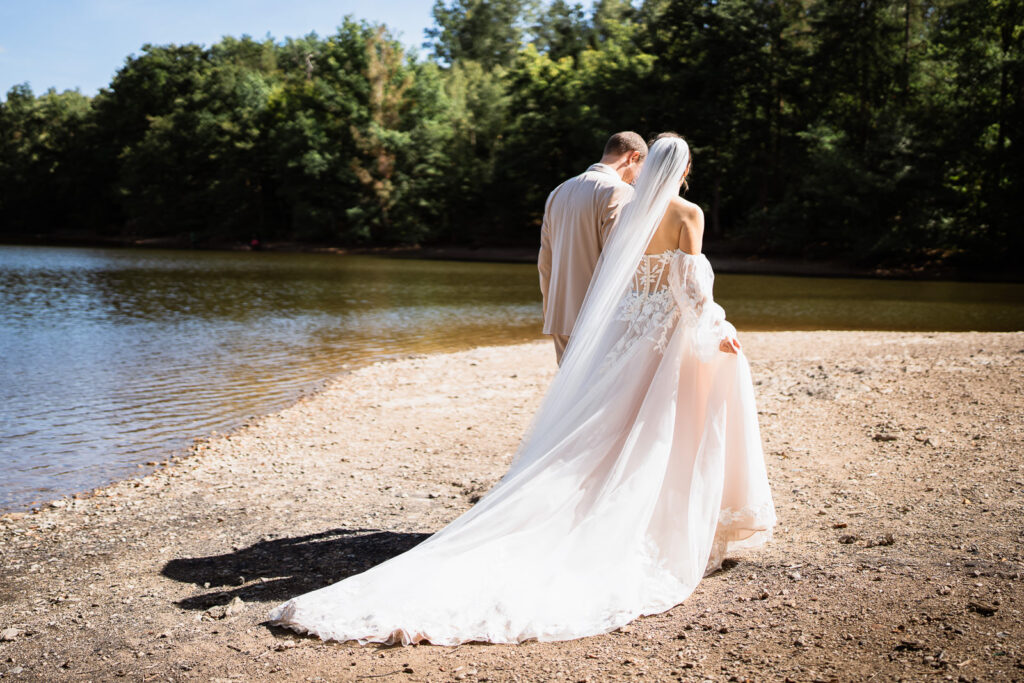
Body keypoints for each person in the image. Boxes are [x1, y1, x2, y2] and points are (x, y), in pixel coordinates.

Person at [267, 135, 776, 645]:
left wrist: (564, 312)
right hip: (660, 331)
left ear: (649, 167)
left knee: (604, 425)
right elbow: (691, 290)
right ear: (677, 167)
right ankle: (670, 515)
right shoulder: (683, 212)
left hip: (619, 329)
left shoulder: (596, 200)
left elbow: (569, 263)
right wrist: (717, 328)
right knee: (663, 425)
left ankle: (601, 502)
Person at [538, 132, 647, 365]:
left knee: (569, 396)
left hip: (560, 315)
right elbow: (619, 261)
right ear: (632, 157)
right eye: (640, 170)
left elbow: (545, 262)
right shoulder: (619, 192)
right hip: (598, 319)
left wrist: (551, 310)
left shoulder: (558, 192)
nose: (637, 179)